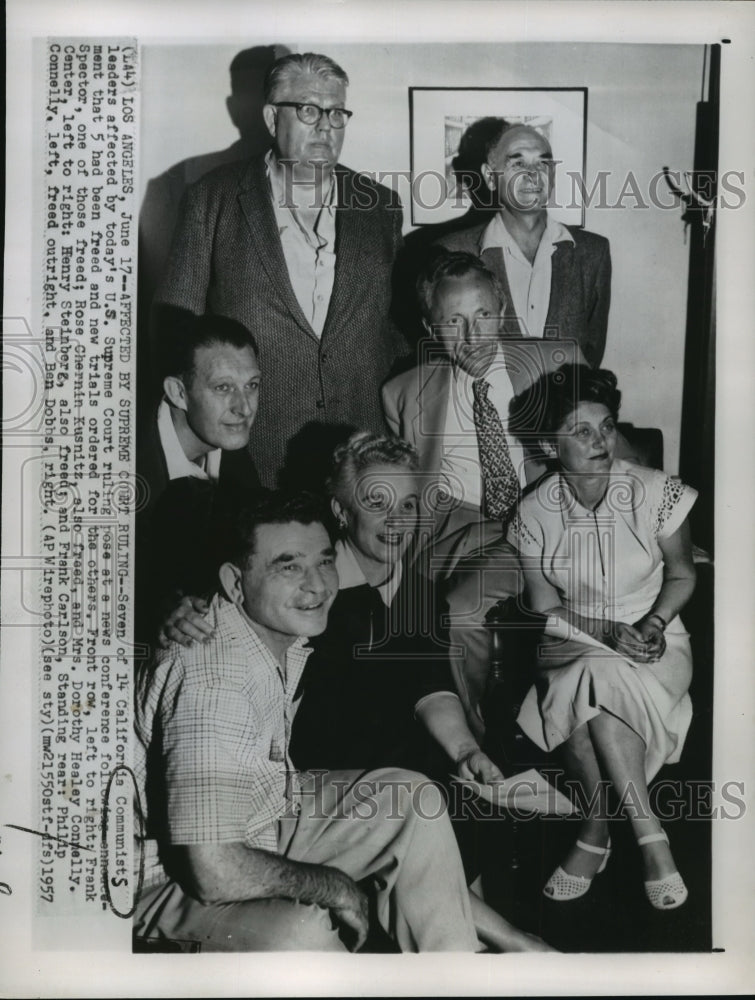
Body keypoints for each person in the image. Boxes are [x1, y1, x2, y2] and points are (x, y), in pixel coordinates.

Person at [134, 492, 483, 952]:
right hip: (155, 877)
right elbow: (212, 869)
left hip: (257, 821)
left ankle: (455, 978)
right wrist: (333, 886)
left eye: (324, 561)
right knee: (306, 928)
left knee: (414, 798)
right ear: (235, 584)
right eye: (289, 566)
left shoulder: (276, 631)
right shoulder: (215, 679)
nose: (317, 585)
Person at [155, 51, 406, 489]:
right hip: (253, 457)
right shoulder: (212, 199)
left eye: (337, 113)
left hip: (358, 457)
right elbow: (177, 330)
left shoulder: (380, 206)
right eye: (309, 110)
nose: (326, 126)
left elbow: (398, 333)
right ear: (272, 118)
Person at [506, 364, 696, 909]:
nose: (601, 442)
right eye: (581, 431)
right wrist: (604, 633)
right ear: (549, 443)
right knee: (595, 670)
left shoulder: (656, 491)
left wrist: (653, 624)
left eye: (606, 426)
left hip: (657, 641)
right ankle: (649, 838)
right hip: (575, 635)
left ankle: (597, 831)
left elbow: (683, 574)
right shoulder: (534, 513)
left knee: (597, 679)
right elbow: (545, 605)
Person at [382, 251, 583, 735]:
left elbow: (600, 454)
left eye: (483, 316)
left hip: (539, 522)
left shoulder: (557, 362)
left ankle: (489, 739)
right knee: (433, 611)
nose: (472, 336)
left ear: (502, 312)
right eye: (454, 321)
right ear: (431, 329)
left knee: (464, 607)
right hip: (456, 529)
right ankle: (471, 739)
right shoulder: (402, 393)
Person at [436, 118, 611, 368]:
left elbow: (591, 353)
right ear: (490, 176)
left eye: (543, 163)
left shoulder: (593, 252)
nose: (532, 174)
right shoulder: (451, 250)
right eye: (518, 163)